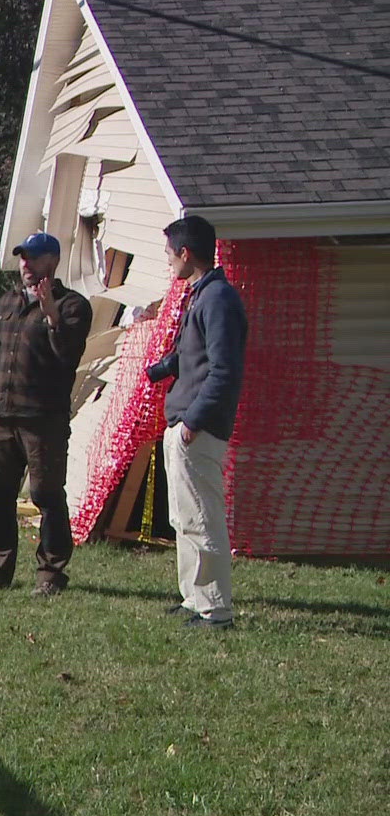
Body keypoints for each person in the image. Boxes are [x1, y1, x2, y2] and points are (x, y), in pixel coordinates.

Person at [0, 232, 93, 596]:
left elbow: (67, 354)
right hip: (1, 418)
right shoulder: (8, 302)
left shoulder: (72, 306)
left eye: (33, 258)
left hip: (43, 421)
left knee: (47, 496)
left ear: (52, 261)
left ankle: (50, 574)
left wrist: (50, 312)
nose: (25, 265)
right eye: (22, 258)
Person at [146, 215, 246, 630]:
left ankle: (216, 610)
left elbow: (224, 370)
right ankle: (194, 598)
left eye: (171, 255)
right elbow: (195, 355)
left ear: (186, 254)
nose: (169, 262)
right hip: (186, 423)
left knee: (202, 517)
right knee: (184, 517)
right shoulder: (201, 294)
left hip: (197, 428)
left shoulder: (218, 298)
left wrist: (192, 422)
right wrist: (159, 369)